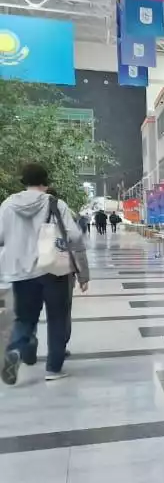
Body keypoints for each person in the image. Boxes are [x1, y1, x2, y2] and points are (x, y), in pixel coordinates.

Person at [0, 163, 90, 385]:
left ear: (24, 181)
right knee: (57, 318)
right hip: (53, 269)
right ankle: (53, 368)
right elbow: (75, 235)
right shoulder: (55, 203)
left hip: (21, 272)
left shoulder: (8, 205)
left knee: (25, 319)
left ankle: (16, 351)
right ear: (45, 182)